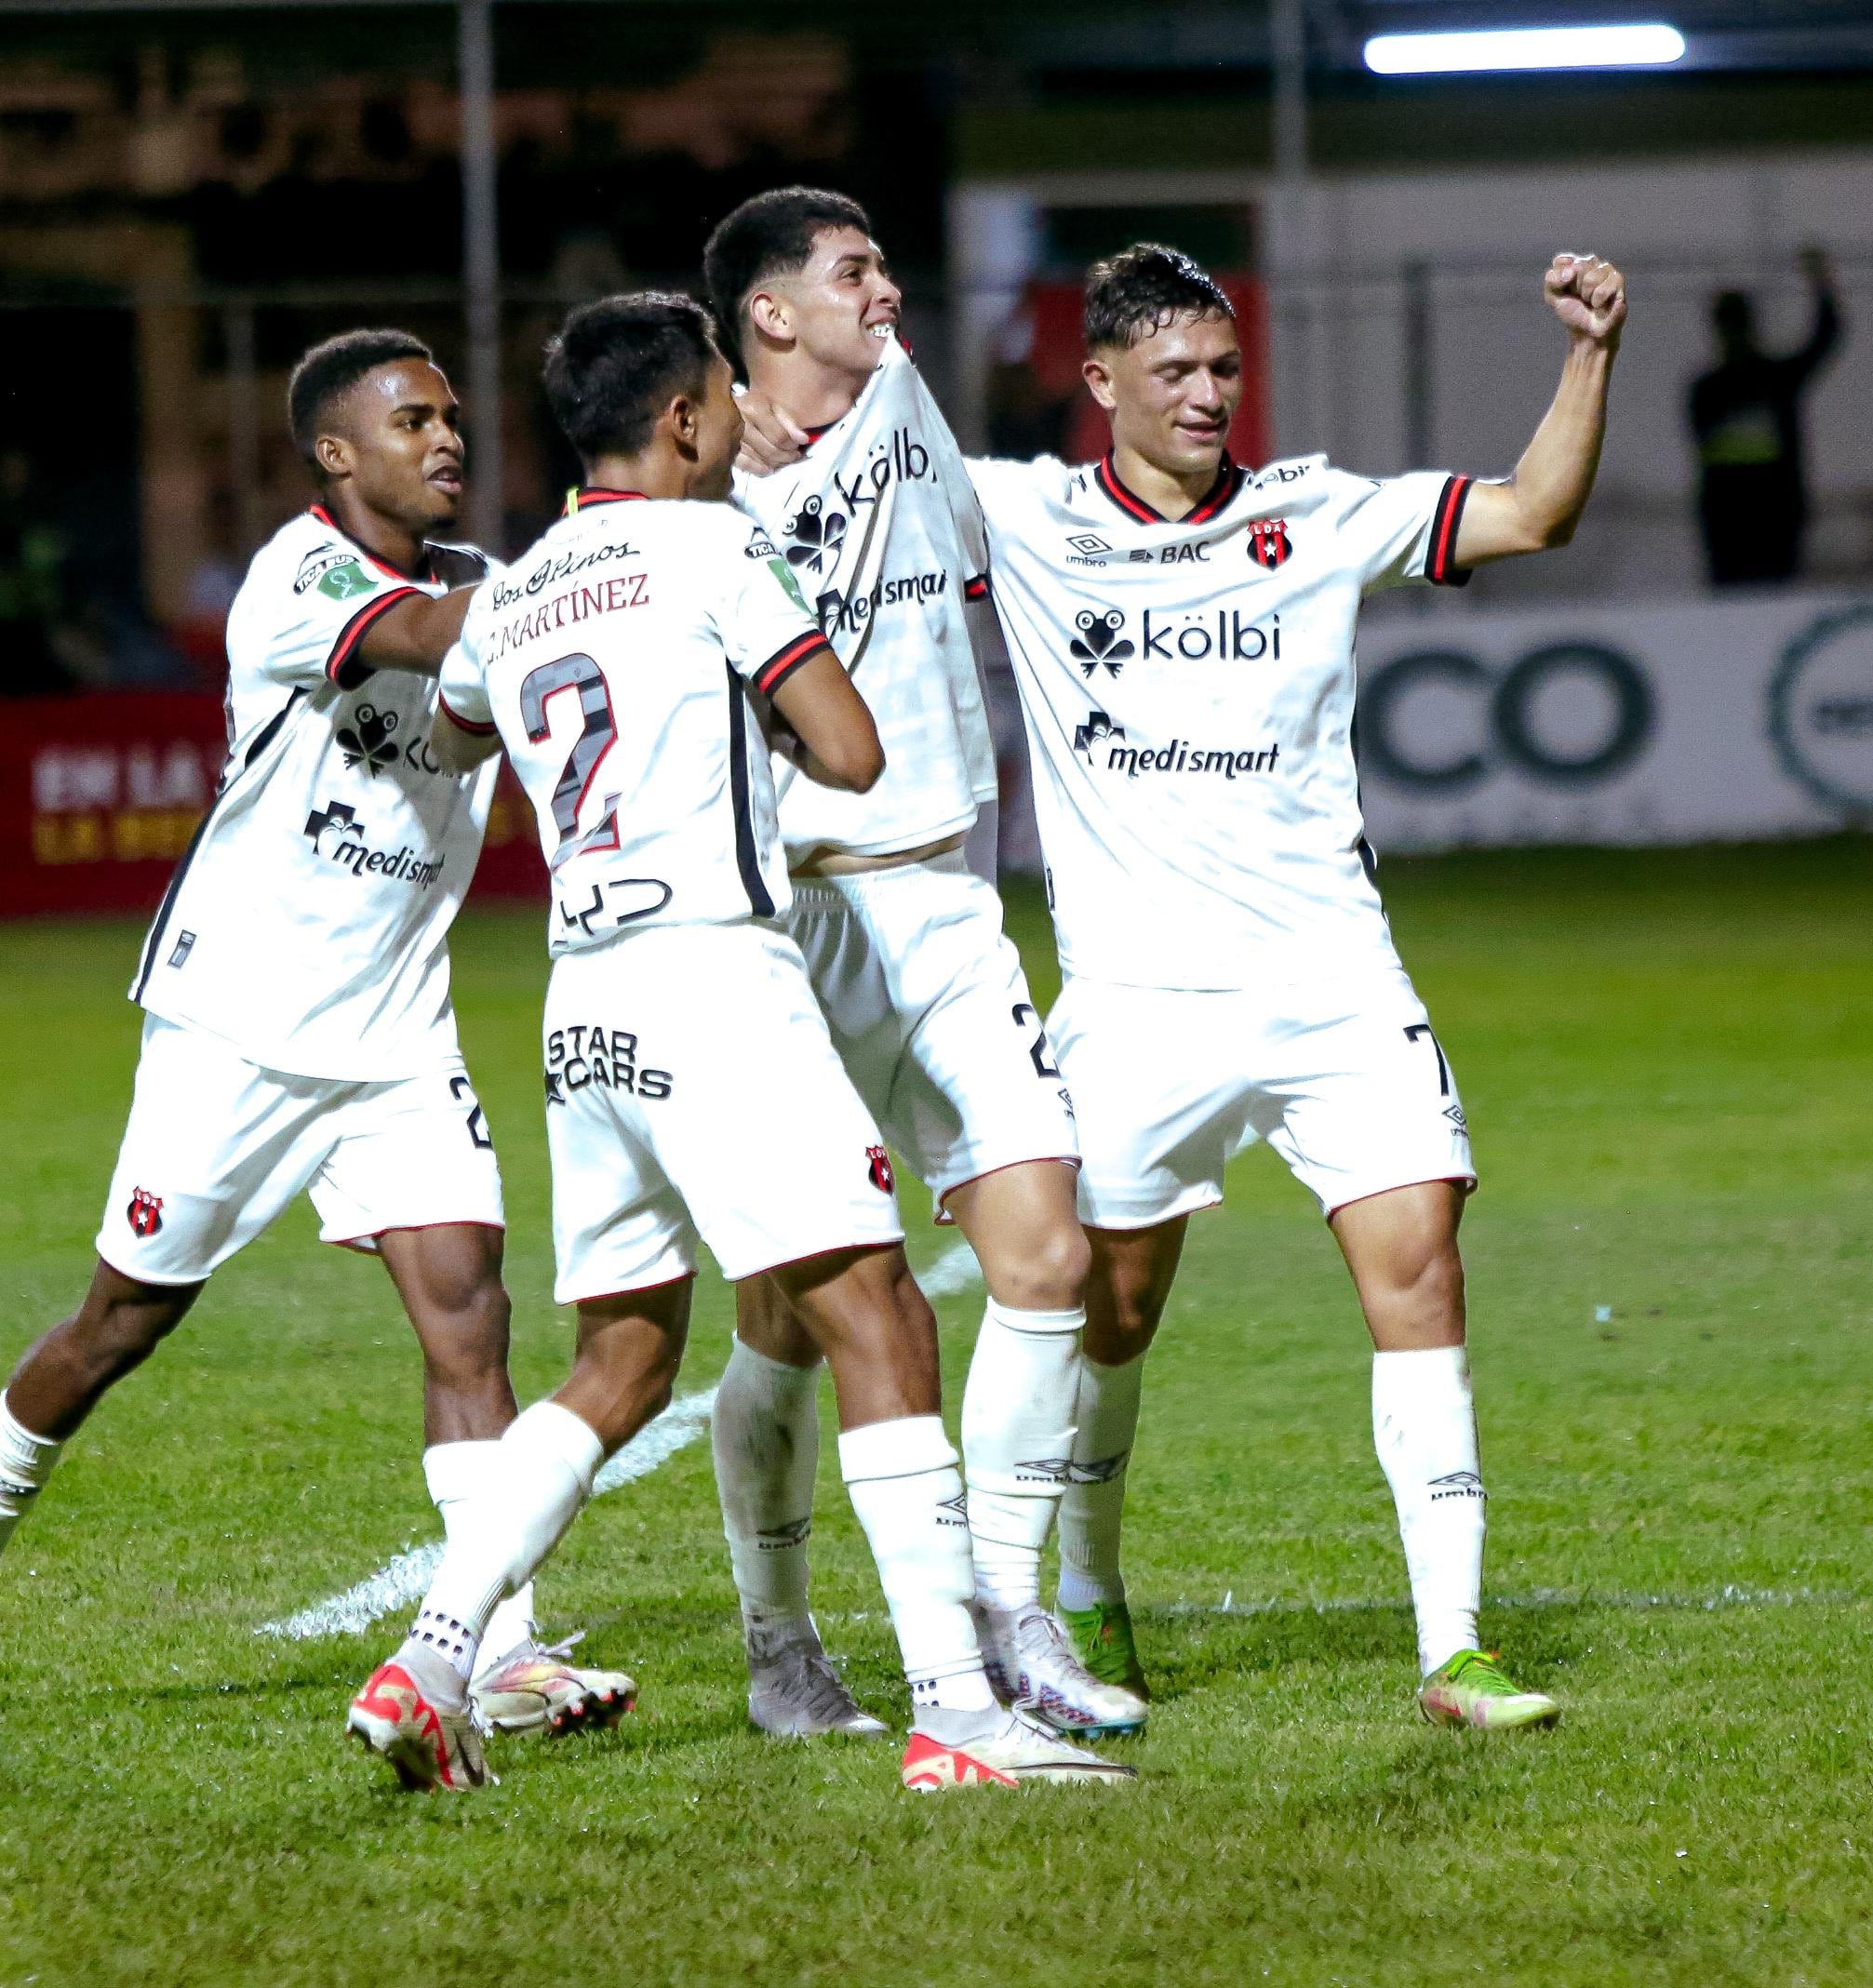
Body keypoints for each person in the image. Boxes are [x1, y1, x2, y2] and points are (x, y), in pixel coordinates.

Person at [745, 241, 1625, 1733]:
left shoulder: (1317, 512)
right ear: (1100, 386)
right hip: (1138, 1000)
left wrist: (1590, 353)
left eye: (1224, 369)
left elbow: (1531, 511)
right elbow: (852, 481)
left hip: (1334, 974)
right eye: (1175, 373)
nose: (1210, 395)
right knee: (1108, 1311)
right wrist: (765, 429)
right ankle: (1084, 1588)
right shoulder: (1021, 513)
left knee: (1419, 1265)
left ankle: (1455, 1645)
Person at [355, 292, 1127, 1795]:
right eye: (718, 396)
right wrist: (737, 711)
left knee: (624, 1356)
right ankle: (959, 1711)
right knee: (880, 1314)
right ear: (688, 422)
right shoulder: (717, 547)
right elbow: (852, 748)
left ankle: (436, 1651)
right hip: (718, 977)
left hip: (582, 1001)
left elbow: (453, 732)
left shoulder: (513, 591)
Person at [0, 330, 634, 1747]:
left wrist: (573, 604)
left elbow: (495, 722)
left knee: (469, 1315)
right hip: (237, 1021)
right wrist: (601, 581)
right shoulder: (298, 581)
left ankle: (496, 1645)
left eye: (454, 418)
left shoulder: (481, 584)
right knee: (123, 1321)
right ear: (335, 453)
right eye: (410, 421)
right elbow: (428, 648)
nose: (446, 440)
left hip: (399, 1027)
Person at [696, 188, 1137, 1742]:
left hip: (944, 906)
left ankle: (1010, 1616)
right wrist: (701, 462)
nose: (887, 291)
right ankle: (779, 1640)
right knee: (782, 1316)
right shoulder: (690, 496)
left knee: (1048, 1257)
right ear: (766, 311)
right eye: (852, 270)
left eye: (883, 263)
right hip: (790, 938)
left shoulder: (901, 404)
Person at [1688, 246, 1840, 586]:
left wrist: (1820, 281)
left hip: (1772, 523)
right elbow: (1825, 339)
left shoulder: (1765, 381)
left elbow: (1825, 338)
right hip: (1734, 527)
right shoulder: (1712, 390)